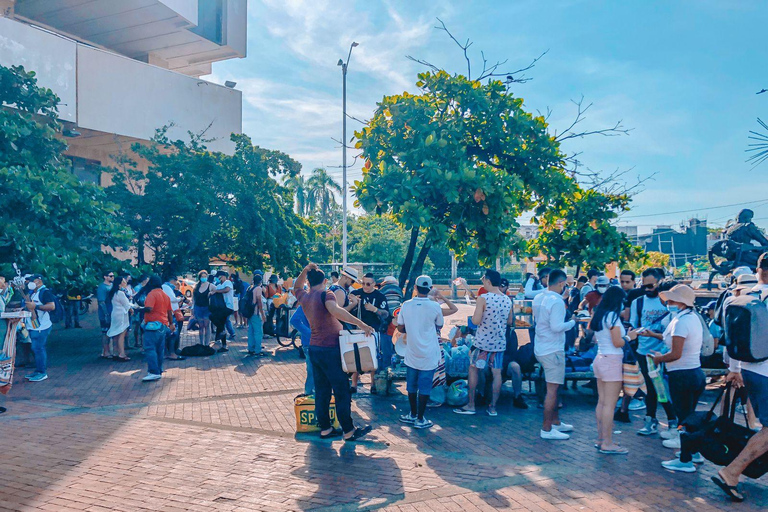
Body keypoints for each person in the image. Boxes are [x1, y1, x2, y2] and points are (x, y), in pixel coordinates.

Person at [293, 263, 373, 442]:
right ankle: (349, 430)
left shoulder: (304, 297)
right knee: (341, 390)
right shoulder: (326, 294)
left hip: (314, 348)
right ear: (325, 281)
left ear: (309, 280)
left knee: (322, 391)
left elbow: (296, 286)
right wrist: (362, 324)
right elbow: (335, 310)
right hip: (330, 348)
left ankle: (326, 429)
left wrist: (305, 270)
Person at [713, 255, 768, 500]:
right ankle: (731, 472)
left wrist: (735, 368)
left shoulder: (743, 295)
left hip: (748, 368)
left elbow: (730, 336)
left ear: (758, 269)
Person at [640, 284, 705, 472]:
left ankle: (685, 460)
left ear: (681, 302)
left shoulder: (681, 321)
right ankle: (693, 453)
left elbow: (676, 353)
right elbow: (675, 343)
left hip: (682, 375)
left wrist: (658, 359)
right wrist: (655, 337)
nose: (668, 303)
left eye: (671, 300)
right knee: (690, 417)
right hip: (694, 373)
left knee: (684, 419)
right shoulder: (690, 318)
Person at [454, 269, 513, 417]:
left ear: (488, 281)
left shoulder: (483, 298)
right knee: (497, 374)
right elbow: (510, 321)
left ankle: (471, 404)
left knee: (473, 370)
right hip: (499, 343)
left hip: (481, 343)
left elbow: (475, 321)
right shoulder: (507, 299)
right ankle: (492, 407)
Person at [630, 267, 679, 436]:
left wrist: (654, 335)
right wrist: (637, 333)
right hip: (646, 352)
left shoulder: (670, 302)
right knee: (652, 387)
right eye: (644, 286)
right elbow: (633, 325)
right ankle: (652, 419)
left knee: (665, 388)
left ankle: (673, 420)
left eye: (650, 286)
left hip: (668, 353)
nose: (647, 289)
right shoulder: (638, 302)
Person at [590, 286, 637, 454]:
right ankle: (607, 442)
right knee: (610, 404)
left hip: (600, 359)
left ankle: (601, 438)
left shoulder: (600, 315)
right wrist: (629, 337)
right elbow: (618, 342)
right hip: (612, 360)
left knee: (602, 402)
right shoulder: (613, 317)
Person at [532, 269, 576, 439]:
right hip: (552, 349)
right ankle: (547, 428)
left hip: (542, 346)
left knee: (555, 388)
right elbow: (557, 327)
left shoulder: (540, 297)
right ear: (561, 283)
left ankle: (555, 421)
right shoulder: (556, 302)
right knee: (553, 390)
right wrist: (572, 322)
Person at [397, 275, 444, 429]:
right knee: (424, 386)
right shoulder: (435, 306)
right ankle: (420, 418)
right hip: (429, 352)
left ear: (415, 288)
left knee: (411, 385)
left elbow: (400, 327)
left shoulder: (406, 305)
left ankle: (412, 414)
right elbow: (440, 325)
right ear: (430, 289)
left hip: (411, 351)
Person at [350, 273, 389, 393]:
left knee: (373, 356)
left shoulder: (379, 296)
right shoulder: (356, 294)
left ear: (373, 284)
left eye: (368, 284)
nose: (365, 286)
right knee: (356, 355)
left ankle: (373, 384)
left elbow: (386, 313)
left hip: (374, 329)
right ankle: (354, 383)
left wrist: (375, 309)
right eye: (363, 283)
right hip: (357, 329)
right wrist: (353, 302)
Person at [140, 276, 174, 382]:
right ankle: (159, 369)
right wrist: (171, 324)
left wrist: (139, 309)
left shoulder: (152, 294)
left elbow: (149, 308)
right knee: (160, 349)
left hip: (152, 325)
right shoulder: (165, 295)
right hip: (163, 325)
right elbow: (169, 312)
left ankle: (153, 372)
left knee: (150, 348)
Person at [23, 274, 56, 382]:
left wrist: (36, 307)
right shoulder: (33, 292)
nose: (29, 283)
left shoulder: (45, 292)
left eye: (31, 281)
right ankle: (38, 371)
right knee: (36, 349)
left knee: (39, 348)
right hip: (34, 326)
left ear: (38, 281)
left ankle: (42, 372)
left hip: (42, 326)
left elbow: (51, 306)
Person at [106, 275, 133, 362]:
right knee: (122, 334)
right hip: (121, 315)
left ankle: (115, 352)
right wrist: (132, 309)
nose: (125, 283)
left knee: (115, 334)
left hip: (115, 314)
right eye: (124, 282)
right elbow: (126, 305)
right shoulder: (120, 293)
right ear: (120, 284)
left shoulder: (113, 292)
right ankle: (122, 353)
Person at [379, 276, 404, 369]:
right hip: (397, 323)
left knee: (386, 352)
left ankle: (386, 370)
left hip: (386, 325)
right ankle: (395, 369)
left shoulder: (381, 291)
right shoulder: (399, 291)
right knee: (397, 351)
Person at [209, 271, 234, 352]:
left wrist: (216, 291)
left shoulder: (228, 282)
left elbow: (226, 290)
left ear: (223, 276)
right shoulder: (219, 285)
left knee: (214, 317)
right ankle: (224, 345)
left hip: (228, 307)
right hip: (221, 307)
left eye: (219, 277)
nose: (218, 278)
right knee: (221, 324)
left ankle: (222, 333)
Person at [290, 305, 313, 394]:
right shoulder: (306, 302)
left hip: (312, 342)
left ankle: (310, 396)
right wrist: (310, 333)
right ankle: (309, 396)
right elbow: (294, 320)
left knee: (313, 373)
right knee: (312, 373)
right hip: (309, 343)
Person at [162, 276, 184, 360]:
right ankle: (171, 353)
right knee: (173, 333)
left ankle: (168, 352)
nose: (176, 284)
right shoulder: (166, 287)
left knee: (171, 333)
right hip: (171, 313)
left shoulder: (166, 287)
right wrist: (179, 299)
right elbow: (172, 299)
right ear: (172, 280)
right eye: (175, 281)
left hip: (170, 312)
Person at [246, 272, 267, 357]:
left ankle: (251, 348)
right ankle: (258, 350)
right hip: (256, 313)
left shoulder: (250, 288)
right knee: (258, 332)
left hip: (249, 313)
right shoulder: (258, 288)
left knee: (251, 331)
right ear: (260, 281)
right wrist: (263, 314)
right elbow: (259, 302)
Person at [191, 270, 213, 346]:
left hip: (207, 308)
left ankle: (207, 343)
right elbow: (193, 298)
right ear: (199, 277)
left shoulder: (210, 285)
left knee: (207, 325)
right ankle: (201, 343)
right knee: (200, 326)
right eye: (202, 276)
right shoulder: (196, 286)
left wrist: (212, 293)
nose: (203, 278)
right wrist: (192, 308)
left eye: (205, 276)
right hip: (198, 308)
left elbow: (217, 290)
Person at [97, 271, 115, 358]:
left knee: (110, 332)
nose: (112, 277)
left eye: (113, 276)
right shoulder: (102, 287)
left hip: (112, 312)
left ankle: (110, 350)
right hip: (105, 314)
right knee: (105, 333)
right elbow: (101, 302)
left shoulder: (112, 286)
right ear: (105, 277)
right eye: (110, 276)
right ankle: (105, 351)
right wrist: (106, 314)